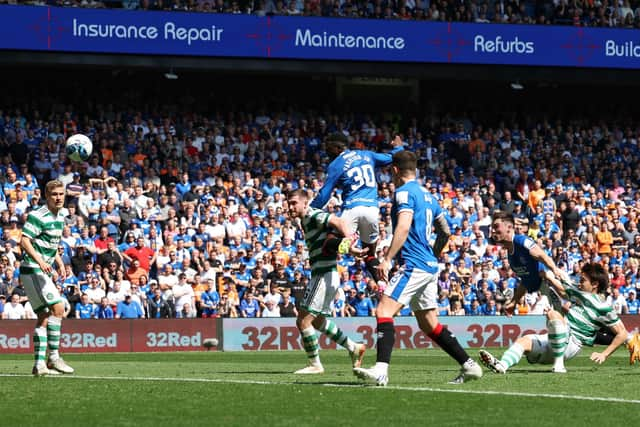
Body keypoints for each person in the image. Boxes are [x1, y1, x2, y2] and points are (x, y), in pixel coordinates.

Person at [353, 151, 482, 386]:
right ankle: (469, 365)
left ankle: (381, 370)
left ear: (394, 171)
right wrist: (433, 255)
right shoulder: (429, 196)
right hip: (429, 265)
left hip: (413, 264)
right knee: (428, 323)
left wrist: (387, 259)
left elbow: (402, 227)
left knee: (383, 311)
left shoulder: (403, 193)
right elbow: (444, 231)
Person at [479, 263, 628, 374]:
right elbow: (562, 289)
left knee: (553, 314)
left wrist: (604, 354)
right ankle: (502, 366)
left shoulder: (603, 307)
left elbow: (622, 333)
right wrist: (547, 275)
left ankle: (559, 365)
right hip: (558, 338)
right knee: (524, 341)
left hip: (573, 344)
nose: (580, 282)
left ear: (595, 284)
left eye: (583, 280)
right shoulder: (579, 293)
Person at [287, 189, 367, 374]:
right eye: (289, 203)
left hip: (324, 274)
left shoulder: (313, 214)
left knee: (303, 321)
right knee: (318, 321)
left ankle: (315, 364)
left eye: (294, 203)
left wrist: (349, 241)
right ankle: (354, 347)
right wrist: (348, 248)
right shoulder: (304, 221)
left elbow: (338, 221)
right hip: (325, 274)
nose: (290, 206)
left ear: (304, 203)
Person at [310, 133, 403, 281]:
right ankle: (384, 283)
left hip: (352, 209)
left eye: (328, 147)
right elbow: (391, 157)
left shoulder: (336, 164)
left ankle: (345, 244)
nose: (326, 151)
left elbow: (324, 195)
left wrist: (309, 210)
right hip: (372, 210)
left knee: (328, 243)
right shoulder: (367, 155)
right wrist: (399, 146)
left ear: (337, 147)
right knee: (369, 254)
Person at [20, 180, 74, 376]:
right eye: (55, 194)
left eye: (61, 194)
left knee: (43, 317)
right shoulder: (38, 215)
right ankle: (53, 358)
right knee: (58, 308)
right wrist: (41, 261)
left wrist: (59, 263)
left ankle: (39, 366)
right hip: (33, 268)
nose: (59, 197)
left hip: (41, 270)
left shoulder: (61, 216)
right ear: (47, 196)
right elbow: (24, 240)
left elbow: (52, 243)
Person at [490, 211, 565, 314]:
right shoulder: (510, 256)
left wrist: (554, 270)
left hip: (553, 284)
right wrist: (513, 302)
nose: (493, 230)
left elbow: (541, 255)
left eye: (496, 226)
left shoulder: (520, 241)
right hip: (541, 292)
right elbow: (525, 281)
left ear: (509, 227)